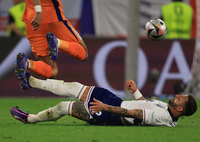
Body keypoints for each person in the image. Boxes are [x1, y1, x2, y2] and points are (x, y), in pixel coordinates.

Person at [10, 70, 197, 127]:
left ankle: (30, 119)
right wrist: (136, 92)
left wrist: (105, 107)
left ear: (180, 109)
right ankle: (32, 82)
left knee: (62, 107)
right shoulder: (166, 108)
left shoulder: (164, 118)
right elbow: (145, 104)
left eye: (181, 99)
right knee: (74, 86)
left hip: (111, 114)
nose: (178, 96)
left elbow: (134, 113)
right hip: (115, 101)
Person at [14, 0, 88, 80]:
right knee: (84, 52)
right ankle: (58, 43)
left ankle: (26, 63)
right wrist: (38, 12)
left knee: (53, 71)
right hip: (51, 17)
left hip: (32, 22)